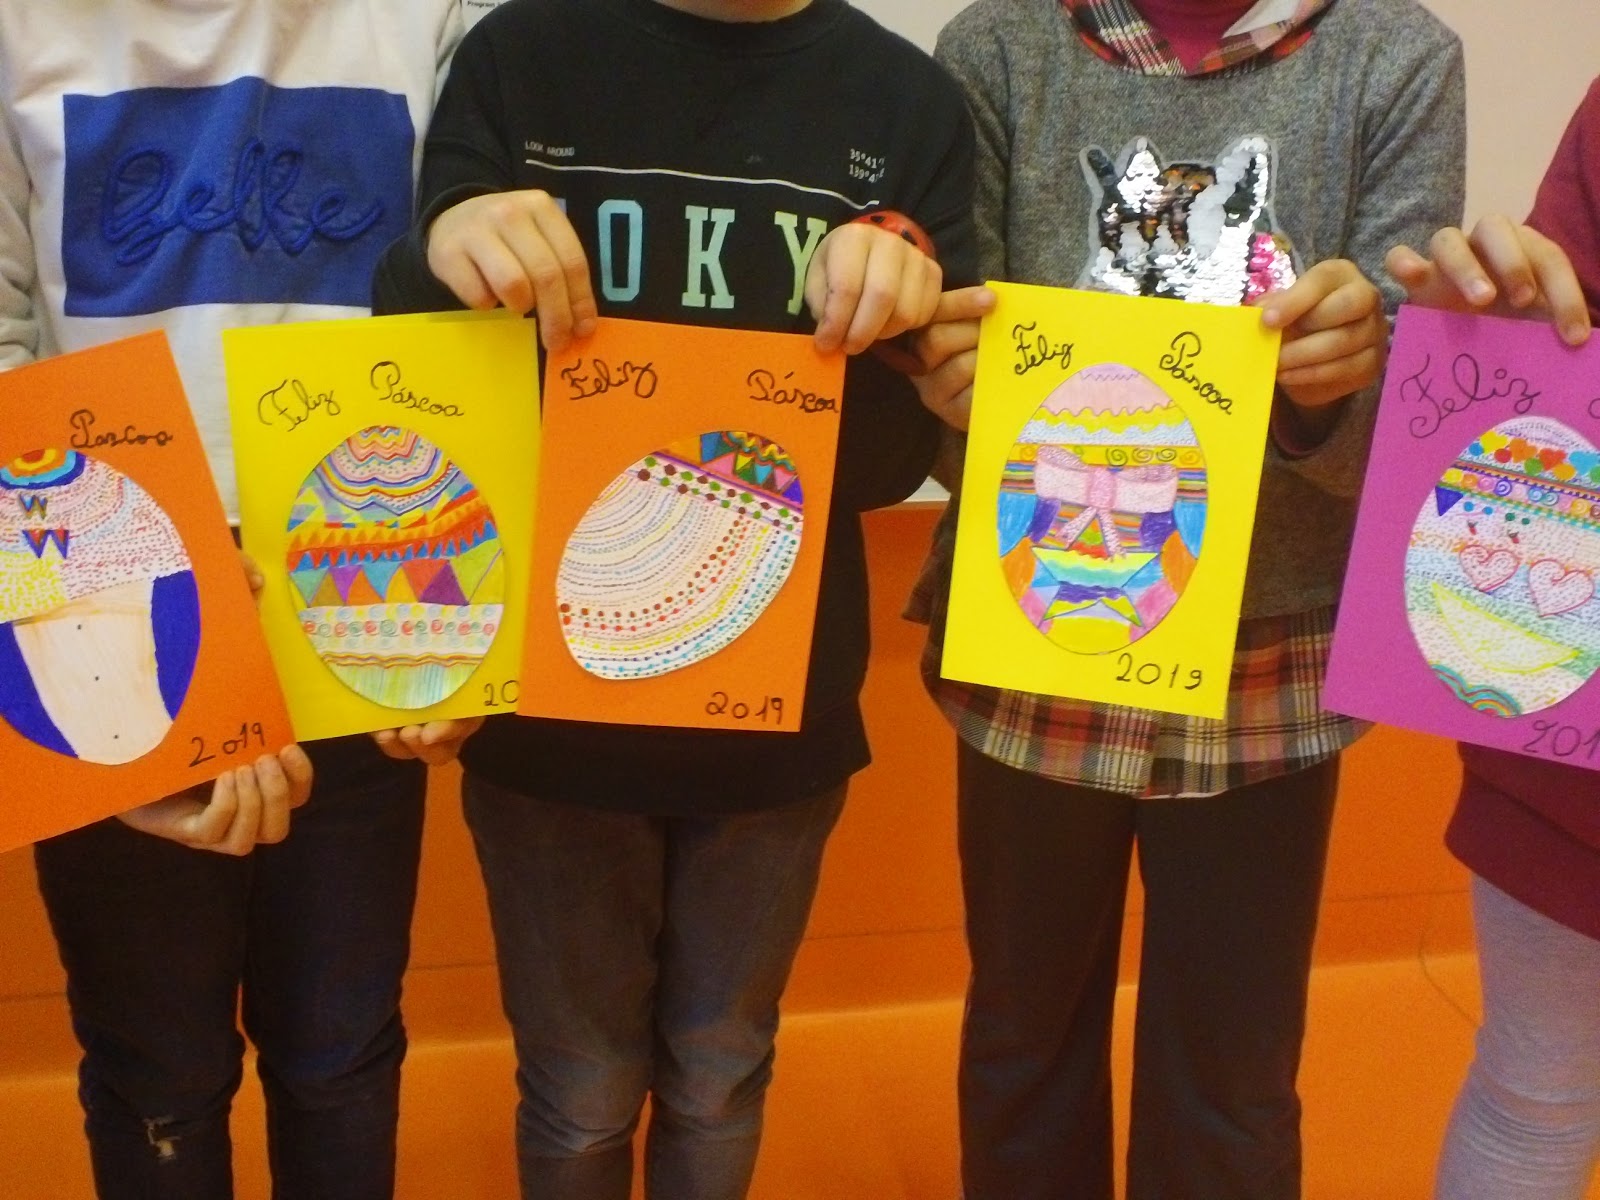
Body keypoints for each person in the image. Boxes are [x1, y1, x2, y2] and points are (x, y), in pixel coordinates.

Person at [372, 0, 976, 1195]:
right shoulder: (518, 54)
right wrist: (442, 241)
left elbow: (892, 458)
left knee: (718, 1072)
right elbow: (414, 365)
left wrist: (902, 333)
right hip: (547, 715)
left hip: (775, 715)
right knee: (580, 1089)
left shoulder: (903, 98)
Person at [904, 1, 1465, 1197]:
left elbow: (1401, 408)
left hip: (1270, 648)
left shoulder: (1395, 58)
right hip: (1040, 618)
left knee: (1234, 1067)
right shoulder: (996, 50)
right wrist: (946, 390)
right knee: (1020, 1038)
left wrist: (1332, 381)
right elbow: (949, 387)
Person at [0, 3, 479, 1195]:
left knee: (340, 1056)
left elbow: (479, 331)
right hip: (114, 608)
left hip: (360, 596)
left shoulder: (435, 18)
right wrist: (103, 698)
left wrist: (475, 625)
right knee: (155, 1071)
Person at [1386, 82, 1600, 1200]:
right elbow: (1561, 339)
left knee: (1533, 1105)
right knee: (1535, 1099)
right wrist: (1490, 335)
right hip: (1573, 767)